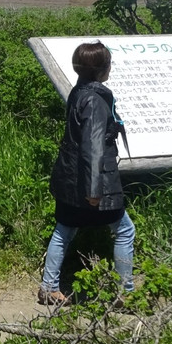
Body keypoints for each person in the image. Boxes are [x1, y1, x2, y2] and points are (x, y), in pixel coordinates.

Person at [39, 41, 135, 306]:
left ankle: (48, 287)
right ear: (100, 69)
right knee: (125, 230)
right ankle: (124, 293)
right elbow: (92, 147)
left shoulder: (79, 91)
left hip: (70, 177)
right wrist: (94, 191)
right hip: (92, 180)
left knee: (64, 229)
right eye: (108, 64)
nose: (110, 68)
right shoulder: (94, 99)